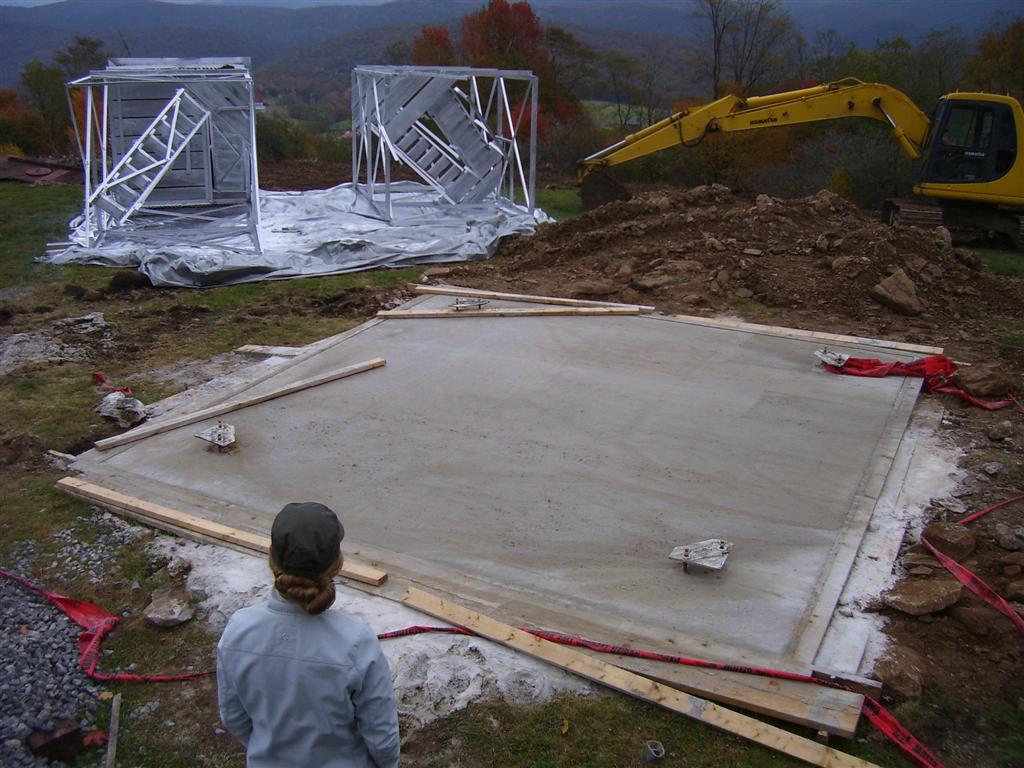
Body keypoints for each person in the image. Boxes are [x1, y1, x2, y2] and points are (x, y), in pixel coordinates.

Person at [216, 502, 400, 768]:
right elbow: (381, 735)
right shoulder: (355, 641)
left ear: (272, 557)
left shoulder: (238, 631)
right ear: (337, 564)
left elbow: (234, 717)